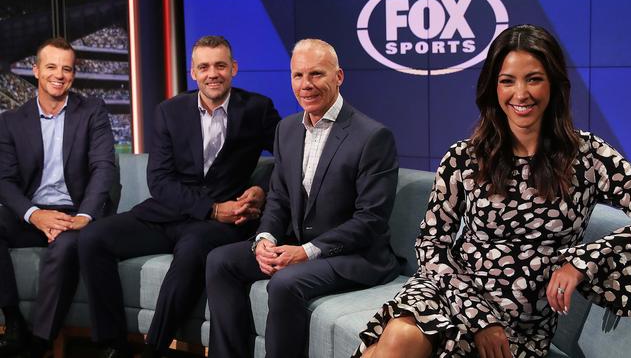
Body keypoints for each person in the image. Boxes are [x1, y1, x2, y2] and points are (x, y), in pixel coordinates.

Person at [355, 24, 631, 358]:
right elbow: (431, 245)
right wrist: (479, 317)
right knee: (401, 337)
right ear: (492, 88)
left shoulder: (588, 156)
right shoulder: (464, 157)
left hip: (522, 323)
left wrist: (583, 260)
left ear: (553, 83)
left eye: (534, 78)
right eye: (507, 81)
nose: (520, 93)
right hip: (454, 291)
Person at [77, 36, 281, 358]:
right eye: (204, 67)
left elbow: (287, 158)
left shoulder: (258, 109)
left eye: (220, 66)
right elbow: (158, 180)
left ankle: (154, 349)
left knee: (191, 251)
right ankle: (112, 343)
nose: (212, 73)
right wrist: (212, 209)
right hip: (170, 212)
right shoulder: (169, 111)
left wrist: (262, 189)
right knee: (92, 239)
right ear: (193, 72)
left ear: (234, 69)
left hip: (224, 222)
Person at [205, 38, 400, 358]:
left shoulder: (373, 136)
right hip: (297, 244)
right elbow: (279, 196)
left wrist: (306, 252)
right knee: (220, 261)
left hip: (357, 256)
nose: (305, 85)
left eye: (316, 74)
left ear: (338, 77)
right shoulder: (287, 129)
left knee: (284, 282)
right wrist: (265, 238)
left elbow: (370, 220)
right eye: (298, 76)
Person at [0, 37, 116, 357]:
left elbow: (103, 168)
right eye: (51, 66)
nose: (59, 74)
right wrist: (35, 215)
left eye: (67, 69)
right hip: (33, 211)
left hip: (73, 210)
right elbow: (5, 181)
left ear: (73, 75)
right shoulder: (10, 121)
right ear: (36, 71)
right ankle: (12, 321)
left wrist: (83, 216)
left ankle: (39, 341)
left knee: (66, 247)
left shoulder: (92, 111)